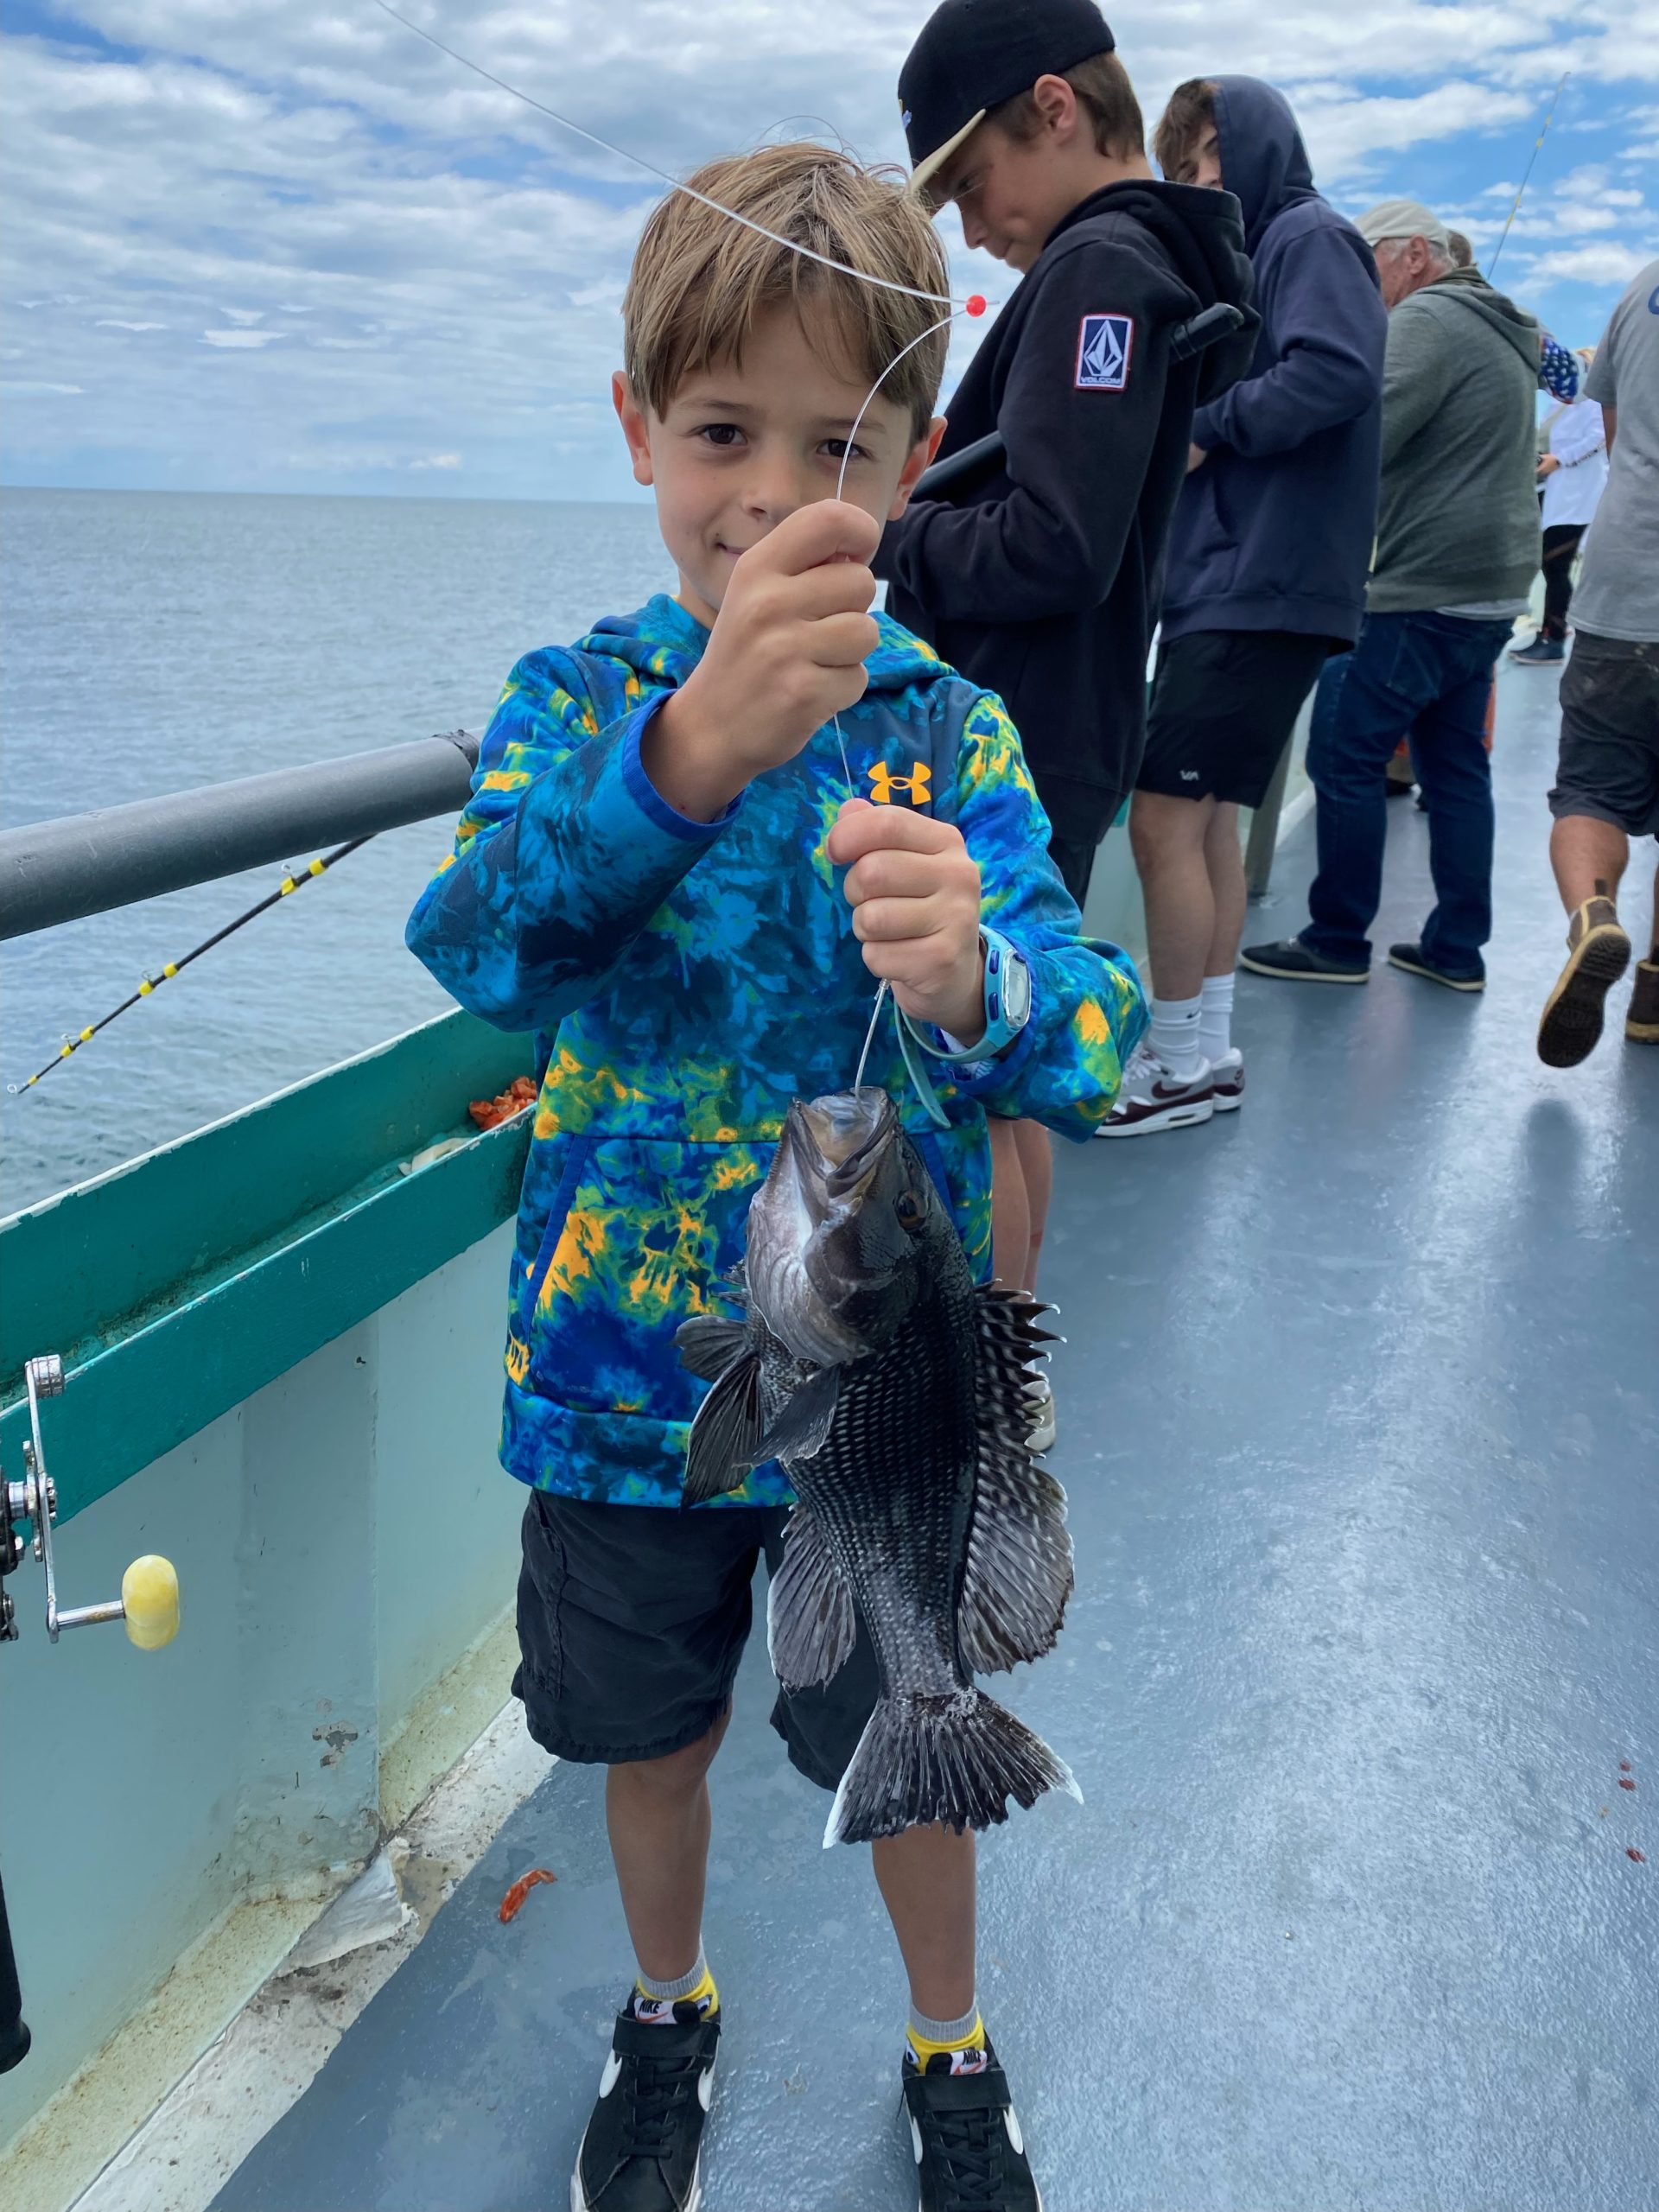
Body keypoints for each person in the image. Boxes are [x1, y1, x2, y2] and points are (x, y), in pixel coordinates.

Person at [405, 142, 1147, 2212]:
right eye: (722, 429)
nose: (768, 488)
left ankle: (948, 2038)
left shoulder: (955, 740)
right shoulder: (574, 707)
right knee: (644, 1746)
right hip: (619, 1408)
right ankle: (668, 2006)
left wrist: (988, 970)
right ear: (638, 427)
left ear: (909, 458)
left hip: (883, 1424)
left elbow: (1087, 1049)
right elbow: (479, 951)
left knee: (908, 1750)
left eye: (838, 438)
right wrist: (683, 758)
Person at [872, 0, 1252, 1367]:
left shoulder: (1102, 274)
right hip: (1057, 723)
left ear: (1054, 106)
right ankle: (997, 1363)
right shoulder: (1132, 263)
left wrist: (883, 529)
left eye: (972, 183)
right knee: (1003, 1075)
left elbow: (1058, 543)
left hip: (1021, 739)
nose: (971, 229)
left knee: (999, 1094)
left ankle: (990, 1373)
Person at [1100, 75, 1384, 1135]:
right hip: (1250, 585)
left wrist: (1204, 424)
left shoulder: (1307, 237)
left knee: (1164, 817)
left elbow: (1337, 370)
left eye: (1199, 160)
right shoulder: (1268, 255)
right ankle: (1206, 1048)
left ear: (1237, 145)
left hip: (1256, 586)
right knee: (1208, 819)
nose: (1194, 184)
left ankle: (1172, 1067)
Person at [1243, 199, 1540, 991]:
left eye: (1364, 260)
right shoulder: (1500, 326)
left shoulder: (1427, 322)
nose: (1356, 281)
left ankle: (1337, 939)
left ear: (1413, 254)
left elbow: (1356, 435)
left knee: (1343, 753)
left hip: (1422, 590)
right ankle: (1456, 949)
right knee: (1455, 771)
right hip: (1491, 592)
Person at [1536, 257, 1659, 1066]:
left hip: (1625, 581)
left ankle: (1594, 919)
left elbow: (1611, 431)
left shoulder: (1639, 288)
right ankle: (1653, 995)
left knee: (1591, 788)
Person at [1511, 351, 1606, 666]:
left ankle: (1553, 639)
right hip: (1549, 492)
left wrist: (1560, 460)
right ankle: (1552, 627)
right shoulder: (1559, 403)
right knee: (1546, 563)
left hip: (1576, 497)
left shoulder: (1595, 400)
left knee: (1555, 564)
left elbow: (1599, 436)